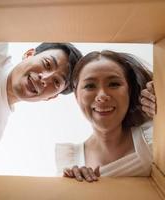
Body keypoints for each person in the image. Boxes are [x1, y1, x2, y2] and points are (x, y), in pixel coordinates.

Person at [55, 50, 155, 182]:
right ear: (76, 96)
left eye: (114, 84)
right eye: (90, 86)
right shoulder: (69, 160)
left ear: (129, 91)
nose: (102, 96)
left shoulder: (154, 138)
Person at [0, 42, 82, 150]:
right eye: (47, 64)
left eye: (56, 82)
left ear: (51, 97)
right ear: (29, 54)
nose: (45, 78)